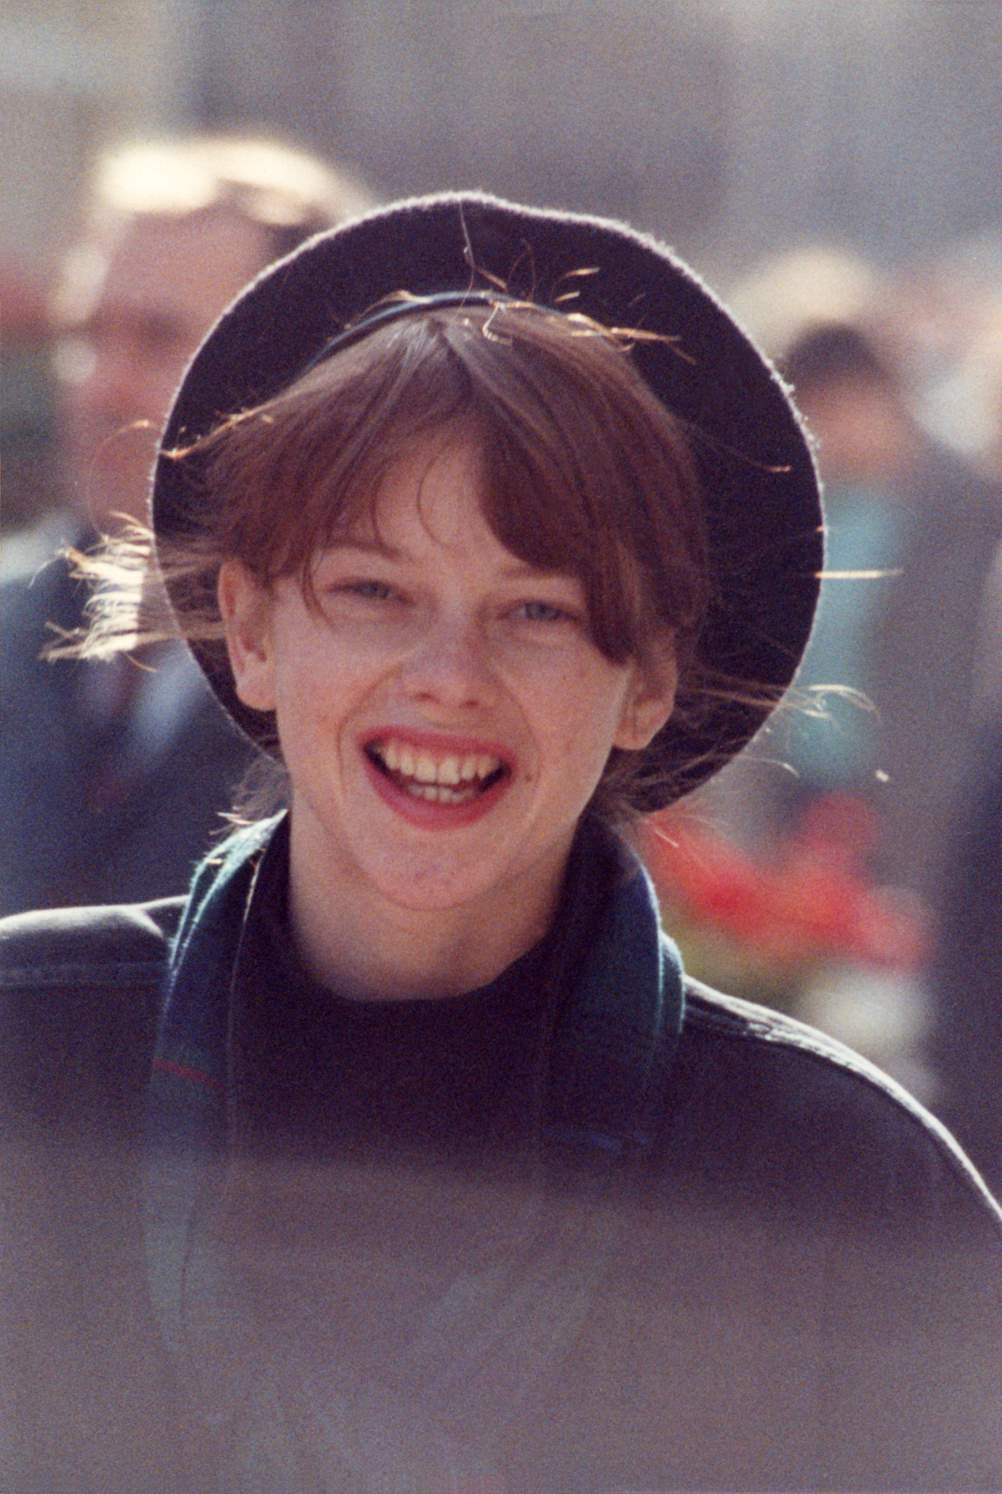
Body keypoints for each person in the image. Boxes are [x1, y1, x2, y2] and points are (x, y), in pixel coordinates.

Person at [2, 193, 1000, 1493]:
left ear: (647, 679)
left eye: (537, 612)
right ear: (249, 631)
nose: (447, 677)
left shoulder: (846, 1201)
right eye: (373, 591)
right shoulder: (29, 1064)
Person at [0, 133, 373, 915]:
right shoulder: (12, 618)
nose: (100, 388)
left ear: (310, 377)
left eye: (160, 339)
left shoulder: (372, 675)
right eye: (88, 337)